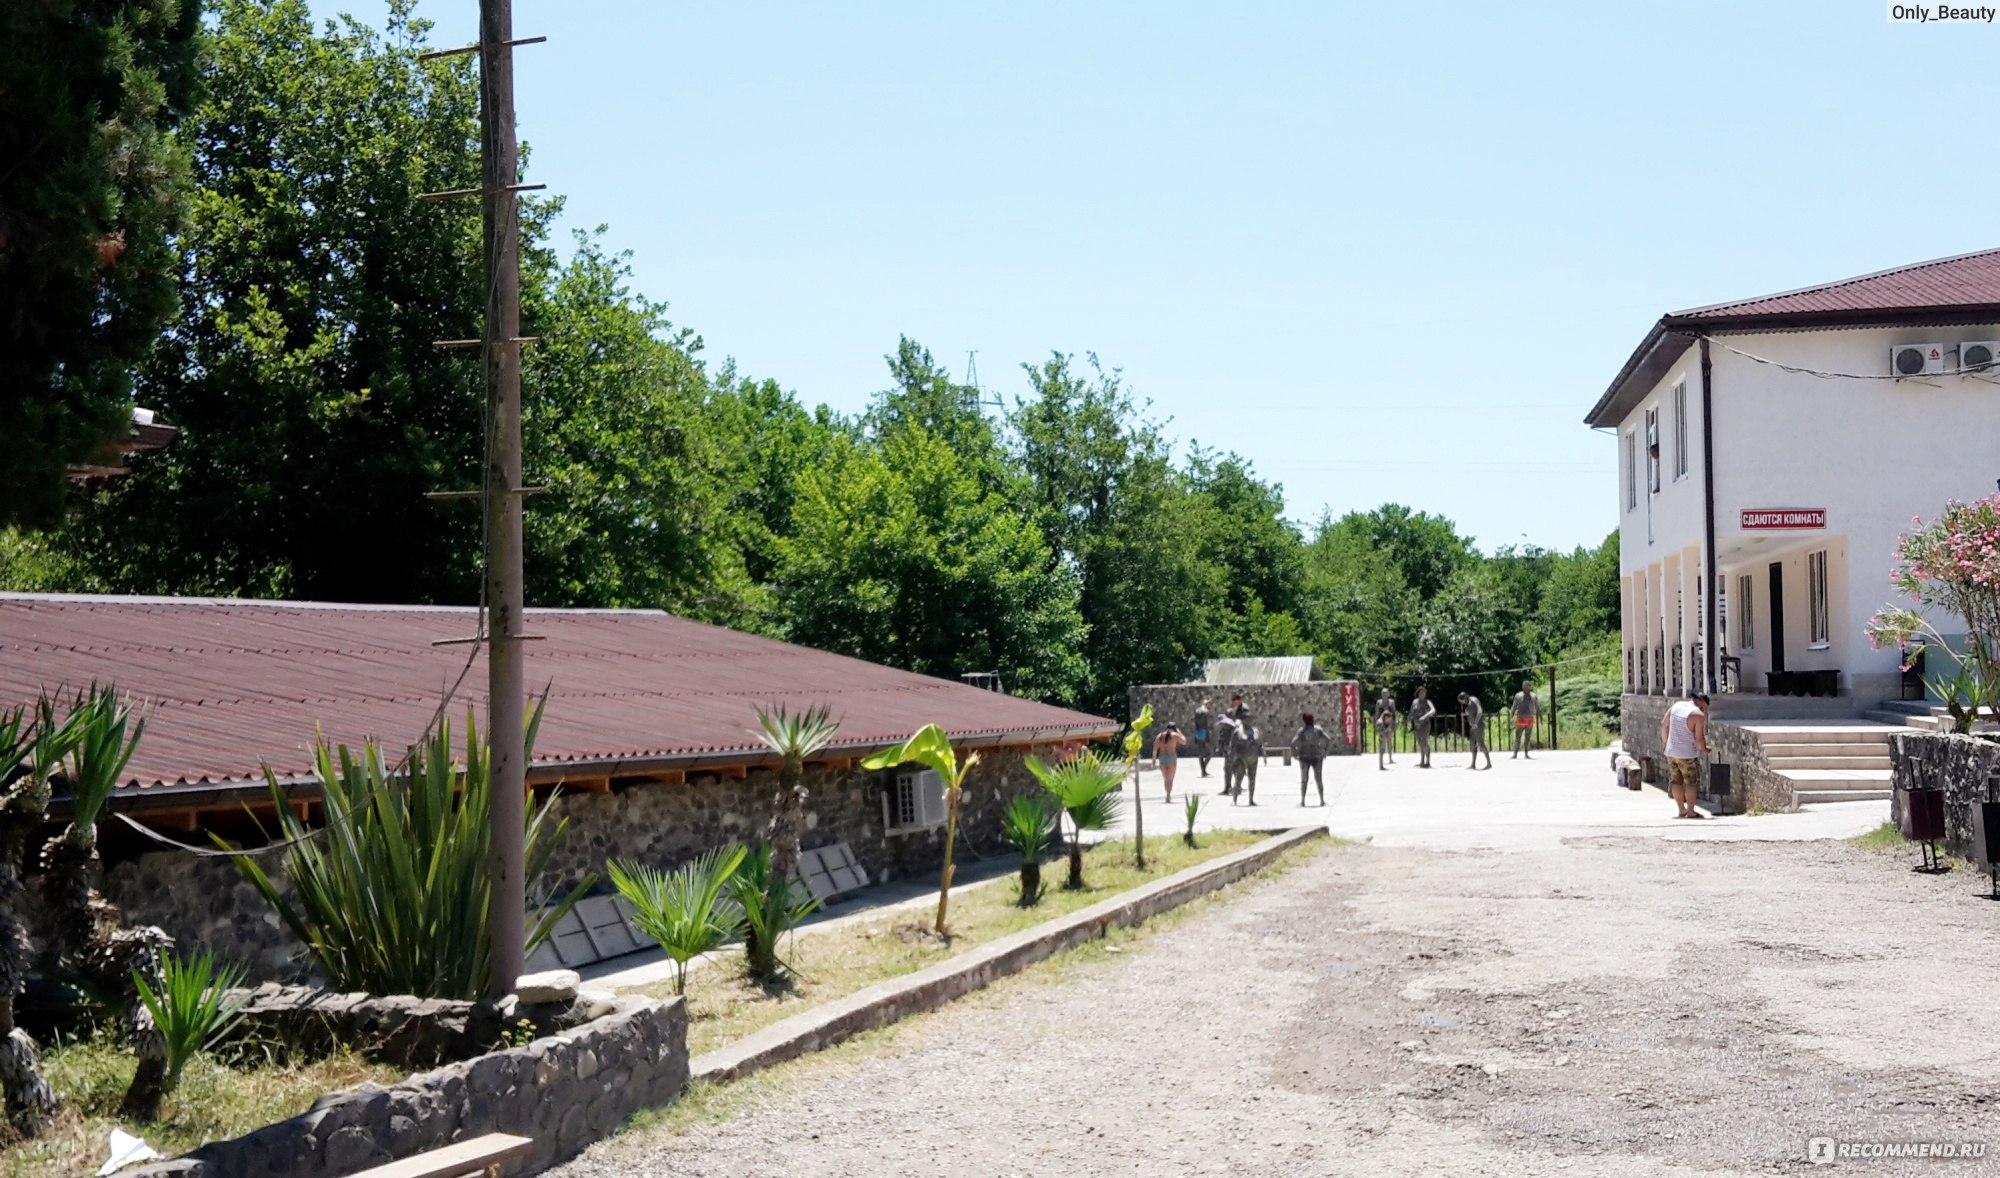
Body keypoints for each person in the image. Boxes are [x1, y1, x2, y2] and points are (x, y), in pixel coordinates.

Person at [1660, 692, 1711, 818]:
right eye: (1704, 707)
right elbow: (1699, 739)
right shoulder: (1698, 715)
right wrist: (1705, 748)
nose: (1704, 710)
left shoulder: (1676, 706)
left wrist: (1665, 742)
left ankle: (1681, 809)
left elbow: (1663, 725)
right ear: (1702, 703)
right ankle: (1691, 811)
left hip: (1671, 752)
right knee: (1690, 782)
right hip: (1686, 754)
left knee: (1676, 781)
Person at [1291, 711, 1331, 805]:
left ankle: (1303, 801)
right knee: (1319, 778)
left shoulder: (1302, 731)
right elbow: (1328, 739)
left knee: (1304, 779)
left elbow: (1292, 744)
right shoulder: (1318, 730)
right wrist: (1325, 752)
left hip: (1304, 756)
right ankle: (1321, 800)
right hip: (1317, 756)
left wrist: (1295, 754)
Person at [1228, 712, 1261, 805]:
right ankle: (1234, 799)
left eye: (1251, 719)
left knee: (1252, 779)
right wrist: (1231, 758)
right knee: (1239, 778)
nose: (1250, 721)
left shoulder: (1255, 731)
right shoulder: (1238, 731)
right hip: (1241, 757)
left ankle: (1251, 799)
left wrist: (1263, 753)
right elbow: (1232, 745)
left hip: (1253, 757)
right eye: (1248, 719)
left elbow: (1259, 744)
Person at [1459, 691, 1492, 770]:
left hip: (1478, 726)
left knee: (1481, 744)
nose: (1462, 703)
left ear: (1465, 697)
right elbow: (1472, 712)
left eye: (1462, 701)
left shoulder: (1473, 700)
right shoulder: (1468, 704)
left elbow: (1480, 711)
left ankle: (1489, 763)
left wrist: (1476, 723)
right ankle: (1473, 764)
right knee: (1473, 744)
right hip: (1472, 727)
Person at [1154, 723, 1186, 803]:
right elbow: (1184, 741)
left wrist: (1154, 760)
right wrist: (1180, 733)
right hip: (1171, 758)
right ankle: (1168, 794)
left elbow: (1155, 748)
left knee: (1165, 779)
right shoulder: (1175, 735)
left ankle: (1167, 794)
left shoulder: (1160, 736)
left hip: (1162, 758)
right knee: (1170, 779)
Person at [1510, 679, 1540, 759]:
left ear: (1530, 688)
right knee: (1518, 737)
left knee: (1527, 737)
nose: (1526, 689)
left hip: (1530, 718)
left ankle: (1526, 753)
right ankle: (1515, 754)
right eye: (1525, 687)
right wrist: (1511, 716)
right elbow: (1514, 706)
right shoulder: (1518, 696)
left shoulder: (1533, 696)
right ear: (1523, 688)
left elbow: (1537, 707)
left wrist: (1540, 716)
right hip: (1521, 718)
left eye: (1528, 687)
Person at [1409, 687, 1436, 769]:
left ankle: (1427, 761)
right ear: (1418, 693)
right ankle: (1422, 760)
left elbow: (1433, 710)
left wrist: (1425, 716)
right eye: (1421, 693)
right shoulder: (1414, 702)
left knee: (1424, 741)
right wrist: (1409, 719)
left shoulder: (1428, 702)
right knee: (1420, 743)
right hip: (1417, 725)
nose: (1422, 694)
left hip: (1425, 724)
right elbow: (1411, 712)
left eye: (1424, 693)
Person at [1373, 689, 1397, 770]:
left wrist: (1393, 724)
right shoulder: (1379, 702)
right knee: (1382, 743)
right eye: (1383, 693)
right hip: (1381, 724)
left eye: (1386, 693)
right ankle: (1381, 763)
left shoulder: (1391, 702)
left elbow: (1394, 713)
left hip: (1389, 723)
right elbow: (1376, 713)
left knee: (1389, 741)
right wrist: (1376, 724)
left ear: (1388, 694)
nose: (1384, 695)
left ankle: (1390, 758)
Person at [1192, 698, 1215, 777]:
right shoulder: (1205, 712)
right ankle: (1203, 770)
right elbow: (1206, 725)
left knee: (1201, 753)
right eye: (1210, 705)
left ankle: (1203, 770)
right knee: (1210, 753)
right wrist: (1207, 736)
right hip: (1203, 732)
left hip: (1198, 732)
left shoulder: (1197, 710)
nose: (1210, 707)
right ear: (1207, 704)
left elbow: (1195, 724)